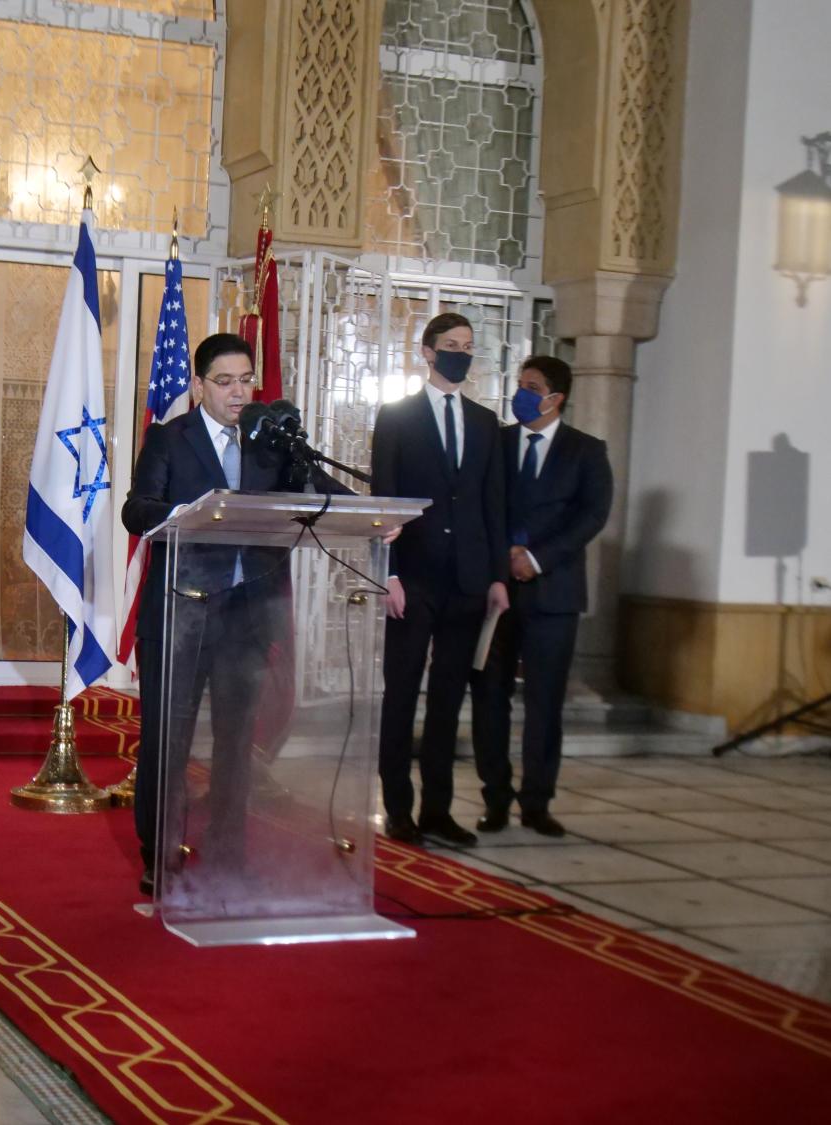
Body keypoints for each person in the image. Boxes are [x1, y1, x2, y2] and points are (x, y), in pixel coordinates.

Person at [121, 332, 353, 895]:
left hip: (245, 620)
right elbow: (137, 509)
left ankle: (228, 852)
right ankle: (161, 858)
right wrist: (197, 514)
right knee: (168, 745)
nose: (238, 391)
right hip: (181, 618)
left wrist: (371, 515)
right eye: (224, 381)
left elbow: (320, 490)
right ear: (199, 385)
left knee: (233, 746)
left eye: (246, 379)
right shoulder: (169, 439)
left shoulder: (267, 442)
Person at [371, 312, 508, 848]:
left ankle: (438, 810)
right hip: (416, 576)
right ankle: (398, 809)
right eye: (451, 345)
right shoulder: (398, 417)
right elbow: (385, 502)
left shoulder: (483, 422)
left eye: (468, 346)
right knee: (402, 694)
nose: (461, 353)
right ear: (427, 353)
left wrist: (496, 576)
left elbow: (493, 503)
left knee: (449, 699)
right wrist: (392, 575)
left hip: (468, 579)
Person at [469, 356, 613, 837]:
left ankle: (536, 802)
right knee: (491, 696)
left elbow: (592, 516)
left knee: (545, 703)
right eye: (520, 385)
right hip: (498, 593)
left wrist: (536, 558)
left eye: (533, 387)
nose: (522, 393)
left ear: (556, 398)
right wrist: (503, 554)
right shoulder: (499, 443)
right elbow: (482, 503)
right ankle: (495, 798)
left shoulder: (586, 452)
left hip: (554, 594)